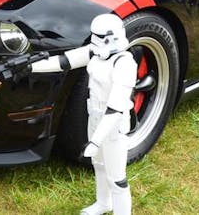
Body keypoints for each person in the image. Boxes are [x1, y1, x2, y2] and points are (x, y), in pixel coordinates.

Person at [30, 13, 136, 215]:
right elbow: (64, 61)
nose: (94, 42)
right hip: (94, 114)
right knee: (99, 165)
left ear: (110, 37)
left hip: (113, 125)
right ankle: (103, 203)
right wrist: (31, 67)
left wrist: (95, 141)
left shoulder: (124, 63)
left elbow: (115, 108)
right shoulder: (96, 52)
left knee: (117, 177)